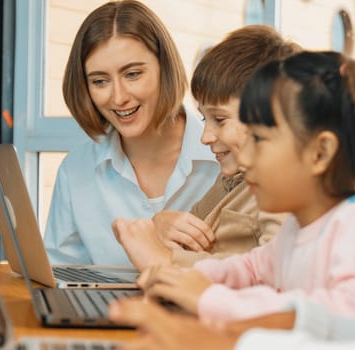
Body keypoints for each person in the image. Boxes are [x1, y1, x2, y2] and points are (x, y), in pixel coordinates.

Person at [109, 0, 355, 348]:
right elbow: (251, 269)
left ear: (320, 152)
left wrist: (215, 306)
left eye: (259, 139)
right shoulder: (298, 229)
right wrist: (186, 280)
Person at [43, 0, 220, 265]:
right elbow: (59, 277)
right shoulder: (75, 170)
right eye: (100, 81)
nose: (119, 97)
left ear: (164, 68)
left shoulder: (224, 156)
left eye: (133, 74)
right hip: (102, 309)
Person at [111, 25, 299, 271]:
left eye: (220, 120)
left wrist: (168, 261)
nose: (205, 137)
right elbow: (187, 239)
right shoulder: (230, 180)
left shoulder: (285, 184)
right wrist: (158, 228)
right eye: (204, 119)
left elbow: (270, 270)